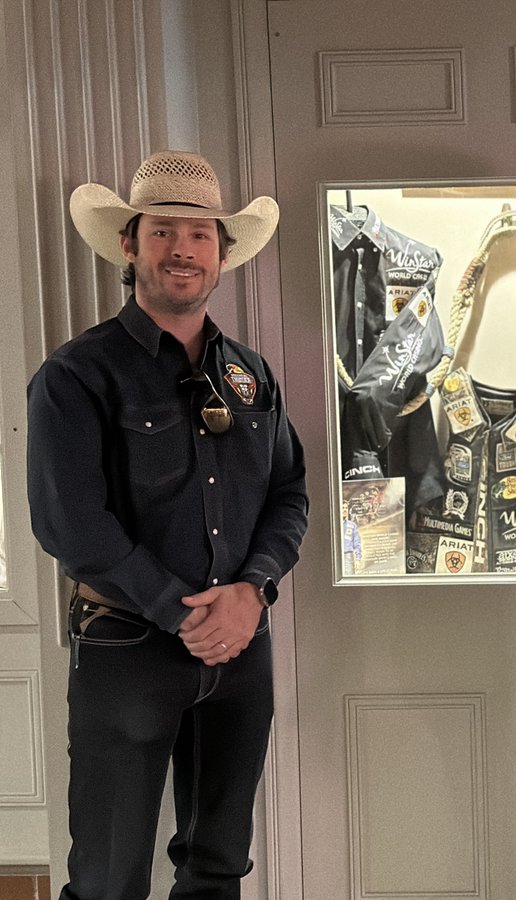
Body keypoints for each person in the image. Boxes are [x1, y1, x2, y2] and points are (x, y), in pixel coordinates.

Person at [27, 149, 309, 900]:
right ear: (129, 244)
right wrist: (181, 613)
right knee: (108, 878)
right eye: (163, 231)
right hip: (129, 648)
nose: (182, 248)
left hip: (240, 651)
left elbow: (289, 494)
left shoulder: (248, 372)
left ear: (221, 253)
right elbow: (71, 524)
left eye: (199, 234)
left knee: (219, 865)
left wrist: (252, 590)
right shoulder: (76, 376)